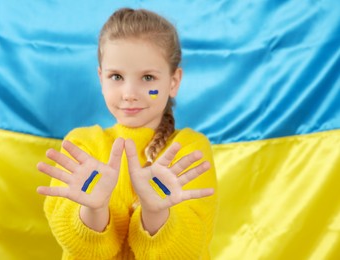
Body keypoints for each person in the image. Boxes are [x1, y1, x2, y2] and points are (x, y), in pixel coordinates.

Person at [37, 7, 218, 260]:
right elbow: (82, 250)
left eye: (148, 78)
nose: (129, 92)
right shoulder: (82, 145)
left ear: (173, 82)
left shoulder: (189, 150)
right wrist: (95, 209)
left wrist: (155, 213)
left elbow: (188, 250)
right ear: (101, 79)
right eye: (116, 76)